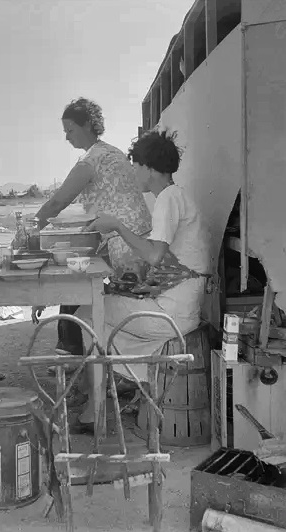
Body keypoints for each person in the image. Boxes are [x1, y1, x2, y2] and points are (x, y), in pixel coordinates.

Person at [73, 129, 211, 433]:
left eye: (135, 166)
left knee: (87, 316)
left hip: (173, 313)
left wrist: (117, 226)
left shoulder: (168, 199)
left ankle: (96, 407)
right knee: (103, 312)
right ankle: (126, 386)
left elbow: (154, 255)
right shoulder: (175, 197)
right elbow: (158, 253)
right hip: (178, 304)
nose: (133, 173)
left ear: (149, 169)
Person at [32, 97, 152, 358]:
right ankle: (74, 352)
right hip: (135, 240)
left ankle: (74, 355)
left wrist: (30, 228)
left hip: (124, 245)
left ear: (88, 124)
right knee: (78, 278)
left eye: (70, 130)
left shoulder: (93, 159)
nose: (67, 137)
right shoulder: (111, 152)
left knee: (77, 282)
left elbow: (58, 202)